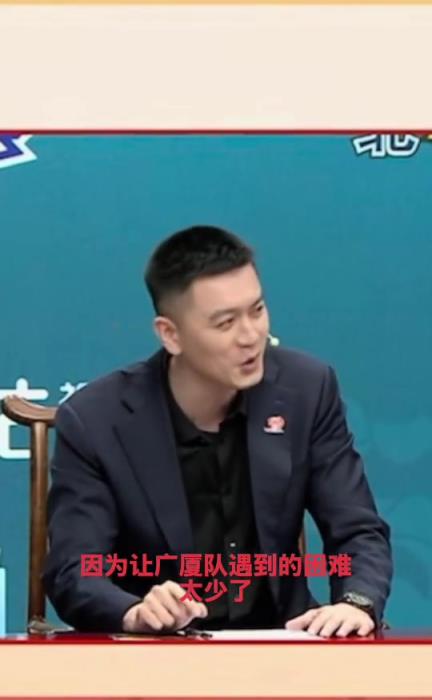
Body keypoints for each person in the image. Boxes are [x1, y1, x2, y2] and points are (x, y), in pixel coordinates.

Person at [43, 225, 392, 637]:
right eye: (225, 323)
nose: (251, 336)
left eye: (257, 310)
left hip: (282, 642)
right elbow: (74, 570)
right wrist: (134, 612)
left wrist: (356, 603)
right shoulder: (97, 420)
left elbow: (357, 530)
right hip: (154, 652)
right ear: (171, 334)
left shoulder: (306, 390)